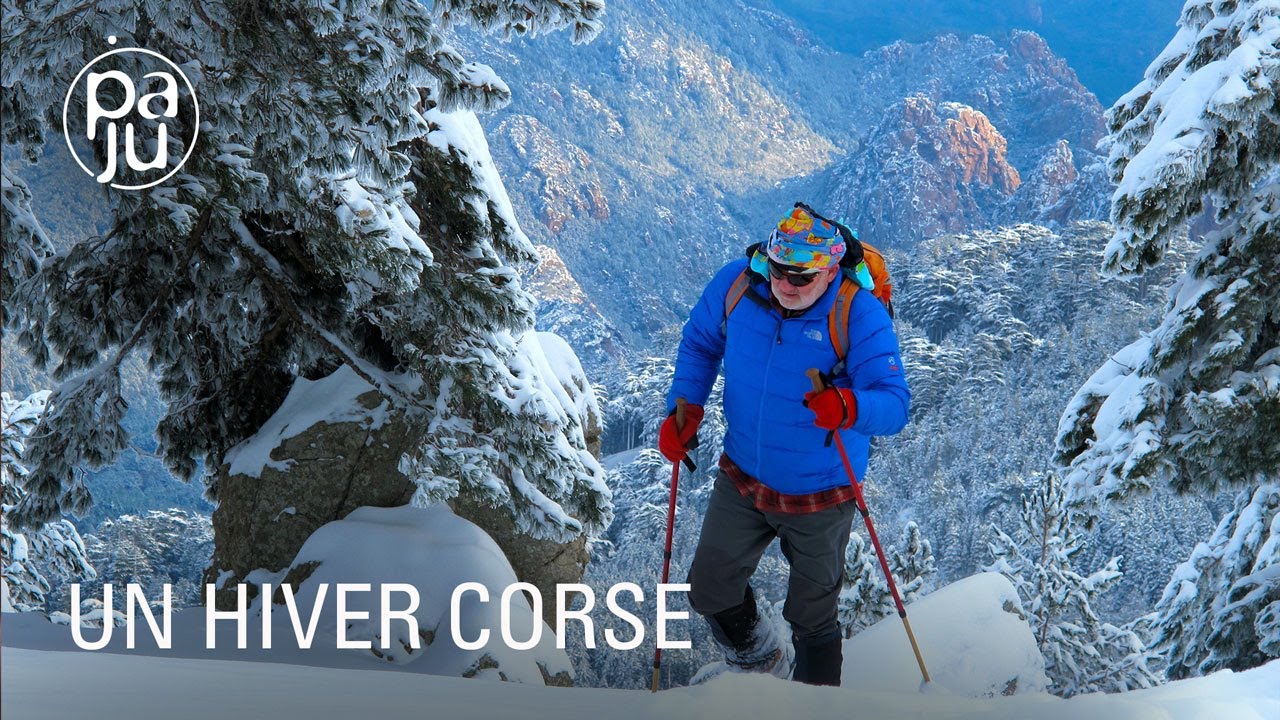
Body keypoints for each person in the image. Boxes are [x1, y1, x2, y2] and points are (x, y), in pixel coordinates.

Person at [659, 205, 910, 686]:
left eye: (802, 276)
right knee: (709, 587)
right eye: (778, 271)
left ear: (831, 270)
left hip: (823, 489)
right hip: (742, 475)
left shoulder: (858, 312)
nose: (787, 285)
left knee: (812, 617)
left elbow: (895, 403)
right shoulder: (737, 286)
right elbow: (699, 344)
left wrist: (847, 406)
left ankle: (816, 707)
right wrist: (682, 408)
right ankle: (759, 661)